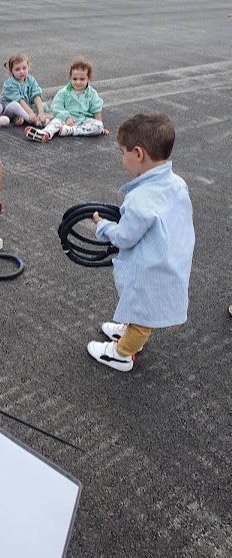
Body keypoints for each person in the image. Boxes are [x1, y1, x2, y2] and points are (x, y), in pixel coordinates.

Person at [87, 113, 195, 372]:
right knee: (141, 309)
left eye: (121, 152)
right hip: (170, 260)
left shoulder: (139, 199)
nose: (121, 157)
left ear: (138, 154)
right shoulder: (177, 184)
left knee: (142, 315)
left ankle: (122, 353)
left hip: (151, 269)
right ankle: (128, 333)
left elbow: (125, 236)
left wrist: (103, 226)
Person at [25, 57, 109, 142]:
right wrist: (66, 117)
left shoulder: (92, 93)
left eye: (82, 79)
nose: (78, 82)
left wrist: (101, 127)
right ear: (70, 78)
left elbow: (96, 109)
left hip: (82, 120)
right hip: (64, 119)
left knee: (98, 125)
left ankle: (72, 130)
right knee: (55, 122)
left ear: (88, 79)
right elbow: (56, 106)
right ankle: (45, 133)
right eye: (75, 79)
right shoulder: (64, 92)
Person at [0, 53, 50, 127]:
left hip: (26, 106)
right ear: (11, 71)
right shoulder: (9, 84)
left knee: (43, 106)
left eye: (24, 68)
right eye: (17, 69)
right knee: (15, 105)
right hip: (9, 110)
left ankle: (22, 117)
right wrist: (30, 112)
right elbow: (20, 100)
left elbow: (36, 95)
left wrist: (41, 112)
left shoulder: (30, 79)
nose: (21, 71)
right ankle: (34, 121)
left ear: (28, 67)